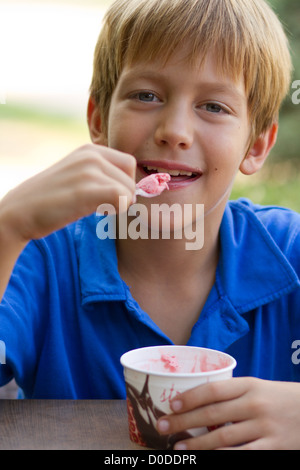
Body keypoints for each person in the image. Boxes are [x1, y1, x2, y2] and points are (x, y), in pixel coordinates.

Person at [0, 0, 300, 449]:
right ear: (99, 120)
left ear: (256, 146)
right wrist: (7, 228)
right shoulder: (42, 256)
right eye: (146, 96)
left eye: (214, 106)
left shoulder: (290, 252)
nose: (174, 129)